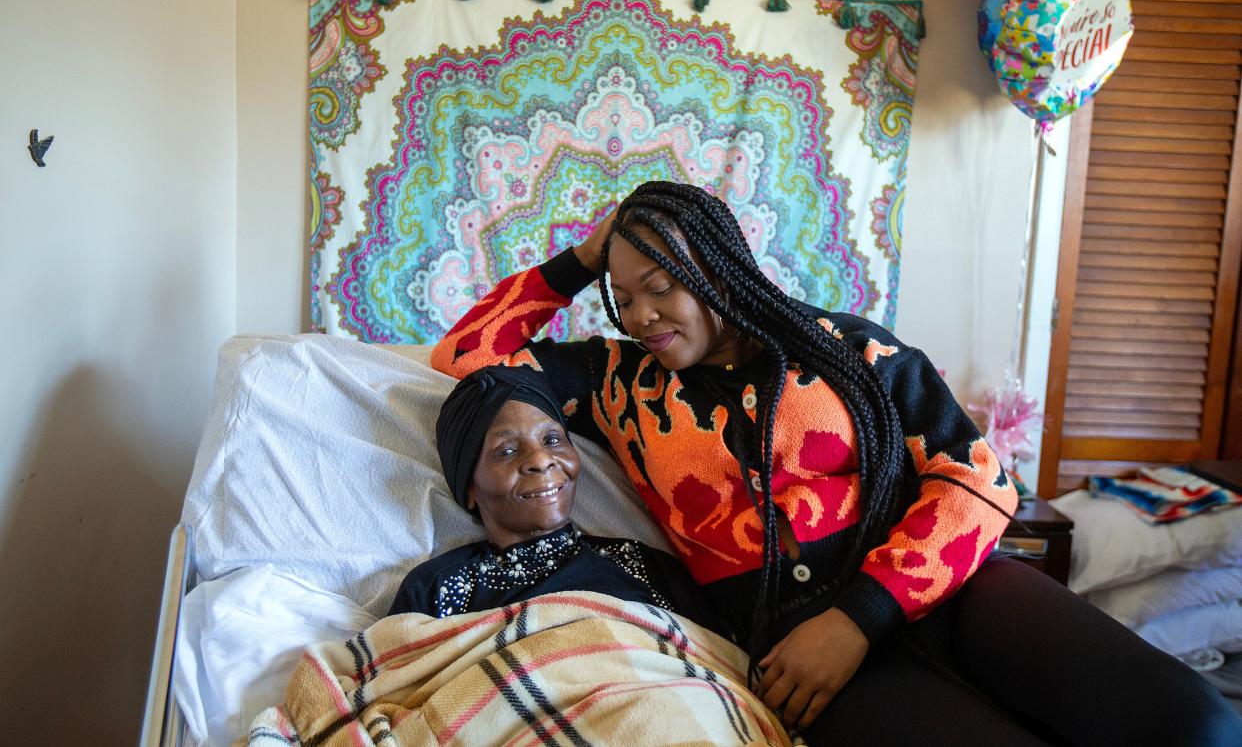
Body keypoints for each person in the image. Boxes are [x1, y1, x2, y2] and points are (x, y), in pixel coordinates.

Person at [430, 180, 1242, 744]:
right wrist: (581, 258)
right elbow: (466, 354)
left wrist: (860, 615)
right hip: (797, 663)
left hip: (950, 596)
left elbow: (979, 476)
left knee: (1196, 724)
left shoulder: (849, 349)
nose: (640, 315)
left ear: (716, 263)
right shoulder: (615, 382)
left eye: (659, 287)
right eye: (623, 295)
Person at [387, 363, 719, 632]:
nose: (541, 460)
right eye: (506, 450)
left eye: (552, 440)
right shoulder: (437, 590)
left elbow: (719, 665)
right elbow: (395, 687)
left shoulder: (643, 566)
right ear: (468, 488)